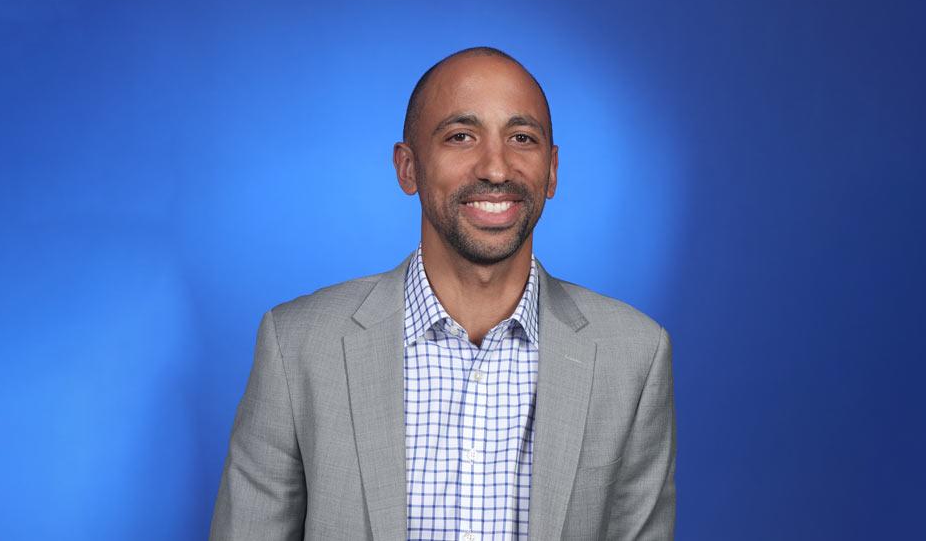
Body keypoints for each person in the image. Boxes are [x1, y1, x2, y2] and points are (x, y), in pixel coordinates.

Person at [209, 46, 675, 540]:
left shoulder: (634, 355)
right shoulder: (297, 345)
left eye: (522, 138)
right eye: (461, 136)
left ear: (552, 169)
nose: (496, 168)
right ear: (408, 168)